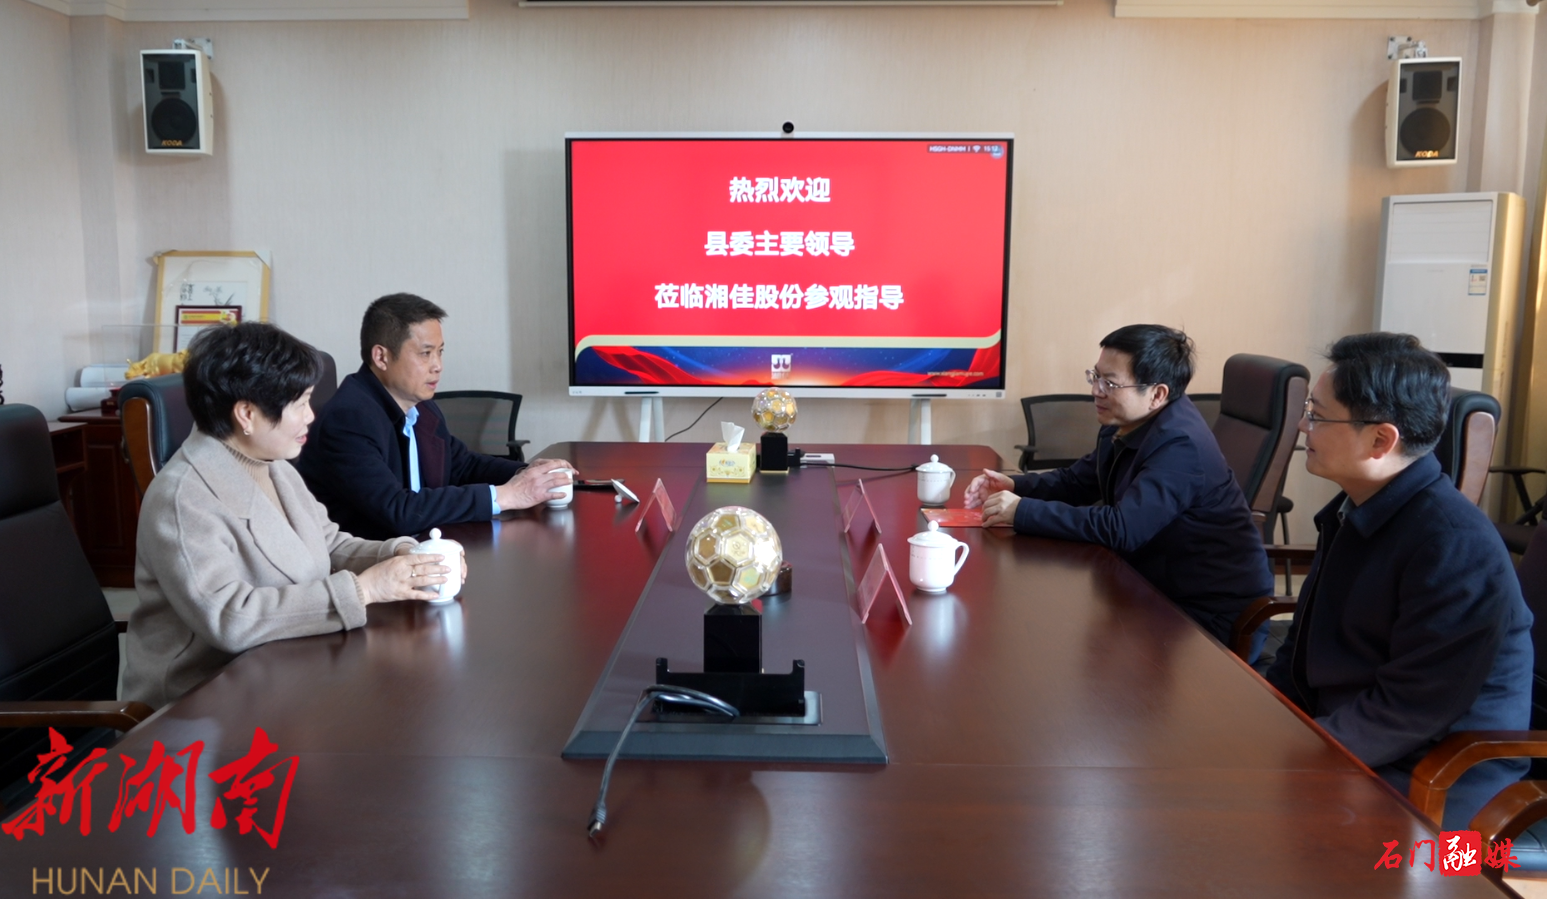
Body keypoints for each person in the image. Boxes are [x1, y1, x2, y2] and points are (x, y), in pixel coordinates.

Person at [1263, 332, 1532, 829]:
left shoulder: (1453, 545)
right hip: (1359, 740)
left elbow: (1412, 709)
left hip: (1443, 781)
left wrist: (1298, 757)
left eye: (1317, 415)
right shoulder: (1357, 508)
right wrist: (1260, 718)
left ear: (1381, 440)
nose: (1302, 425)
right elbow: (1301, 647)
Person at [124, 323, 452, 709]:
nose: (310, 417)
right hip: (202, 703)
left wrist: (405, 556)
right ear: (247, 414)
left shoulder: (273, 463)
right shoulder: (183, 498)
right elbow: (230, 619)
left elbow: (329, 543)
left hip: (284, 669)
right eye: (300, 404)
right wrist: (365, 590)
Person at [963, 324, 1272, 644]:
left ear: (1157, 394)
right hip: (1150, 585)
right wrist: (1014, 487)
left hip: (1207, 615)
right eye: (1095, 377)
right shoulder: (1125, 420)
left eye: (1110, 383)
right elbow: (1078, 481)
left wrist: (1023, 512)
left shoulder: (1181, 446)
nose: (1096, 390)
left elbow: (1123, 528)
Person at [296, 293, 574, 539]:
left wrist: (528, 474)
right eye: (425, 353)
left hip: (425, 551)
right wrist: (507, 495)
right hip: (369, 565)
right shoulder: (349, 419)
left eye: (440, 352)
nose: (437, 366)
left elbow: (461, 465)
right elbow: (398, 510)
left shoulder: (422, 407)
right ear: (381, 357)